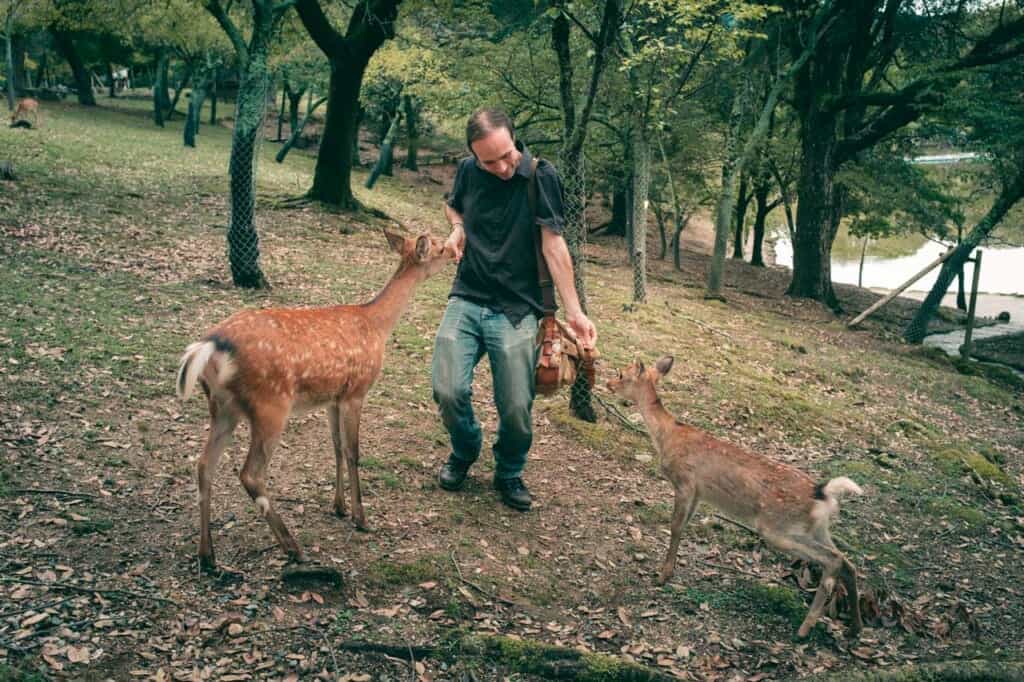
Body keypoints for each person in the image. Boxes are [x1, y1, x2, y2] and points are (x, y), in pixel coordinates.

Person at [432, 107, 598, 511]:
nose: (502, 167)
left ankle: (509, 470)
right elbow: (455, 205)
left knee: (516, 407)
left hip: (518, 308)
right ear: (474, 156)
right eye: (490, 161)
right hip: (468, 295)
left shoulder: (542, 176)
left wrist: (574, 312)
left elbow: (554, 245)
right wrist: (457, 229)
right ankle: (465, 449)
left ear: (514, 139)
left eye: (507, 155)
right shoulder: (470, 171)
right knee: (447, 388)